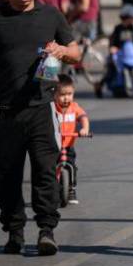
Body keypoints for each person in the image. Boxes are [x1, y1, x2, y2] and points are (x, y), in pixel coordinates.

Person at [0, 0, 81, 256]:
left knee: (46, 172)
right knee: (7, 177)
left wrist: (61, 51)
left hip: (42, 109)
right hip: (5, 113)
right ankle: (15, 232)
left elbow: (75, 51)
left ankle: (47, 230)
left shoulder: (51, 16)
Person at [53, 74, 90, 205]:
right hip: (54, 145)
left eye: (69, 94)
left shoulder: (74, 107)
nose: (66, 98)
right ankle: (51, 191)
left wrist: (84, 129)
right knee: (49, 168)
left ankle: (71, 190)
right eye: (62, 94)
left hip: (68, 145)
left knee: (72, 167)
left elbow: (83, 117)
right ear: (54, 95)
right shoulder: (52, 108)